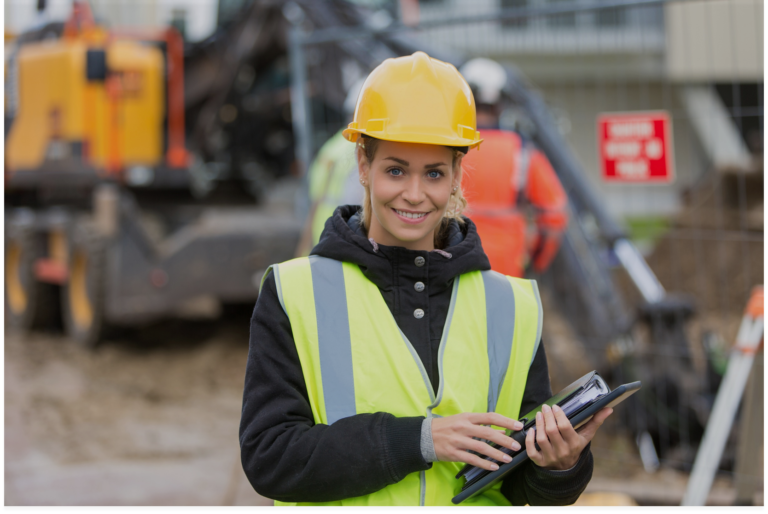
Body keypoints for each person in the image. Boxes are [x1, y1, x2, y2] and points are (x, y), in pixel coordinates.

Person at [240, 51, 611, 507]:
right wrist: (419, 440)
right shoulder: (294, 294)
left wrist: (561, 466)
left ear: (456, 175)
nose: (414, 194)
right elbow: (270, 458)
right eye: (395, 170)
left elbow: (518, 485)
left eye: (433, 173)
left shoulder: (511, 306)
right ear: (363, 165)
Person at [459, 58, 568, 278]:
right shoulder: (523, 151)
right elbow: (554, 215)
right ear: (501, 104)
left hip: (454, 268)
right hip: (508, 273)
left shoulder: (447, 149)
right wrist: (534, 262)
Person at [299, 79, 365, 255]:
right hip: (347, 241)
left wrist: (304, 249)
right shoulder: (361, 149)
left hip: (326, 239)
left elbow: (316, 202)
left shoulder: (334, 145)